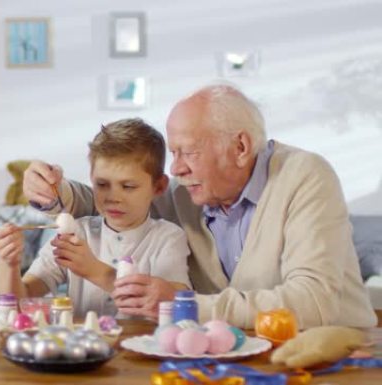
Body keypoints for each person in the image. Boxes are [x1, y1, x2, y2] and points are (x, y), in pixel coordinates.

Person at [23, 84, 377, 329]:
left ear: (240, 147)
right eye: (173, 154)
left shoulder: (304, 175)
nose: (176, 168)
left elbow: (313, 302)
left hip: (335, 354)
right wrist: (54, 191)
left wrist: (187, 303)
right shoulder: (185, 192)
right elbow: (117, 199)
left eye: (188, 152)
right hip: (231, 354)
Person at [0, 119, 191, 318]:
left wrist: (94, 270)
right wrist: (9, 264)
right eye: (102, 184)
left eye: (128, 186)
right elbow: (21, 302)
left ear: (158, 187)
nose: (113, 197)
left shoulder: (169, 237)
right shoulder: (77, 233)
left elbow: (177, 307)